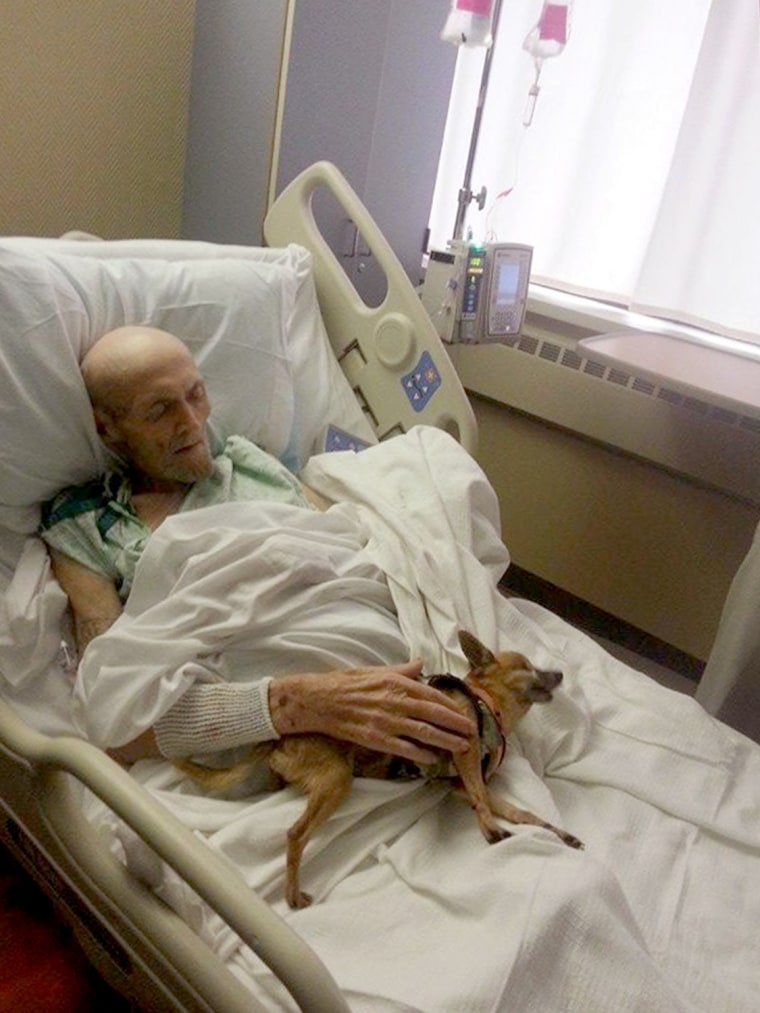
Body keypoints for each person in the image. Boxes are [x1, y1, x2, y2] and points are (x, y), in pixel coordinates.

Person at [41, 325, 475, 766]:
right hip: (285, 741)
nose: (191, 423)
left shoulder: (252, 464)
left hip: (408, 671)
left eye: (196, 394)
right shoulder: (89, 525)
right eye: (159, 410)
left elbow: (363, 551)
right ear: (108, 429)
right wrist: (292, 705)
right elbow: (115, 717)